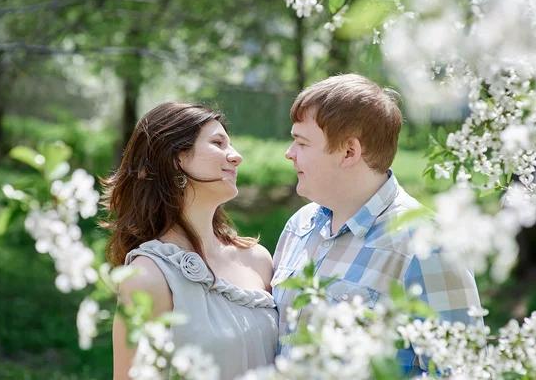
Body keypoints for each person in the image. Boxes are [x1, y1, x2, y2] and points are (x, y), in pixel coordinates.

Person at [271, 74, 482, 375]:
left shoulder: (426, 244)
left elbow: (462, 371)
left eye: (302, 142)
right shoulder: (299, 226)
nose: (289, 153)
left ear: (349, 152)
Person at [102, 102, 278, 380]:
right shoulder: (148, 277)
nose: (236, 157)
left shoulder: (257, 259)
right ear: (176, 158)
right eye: (218, 143)